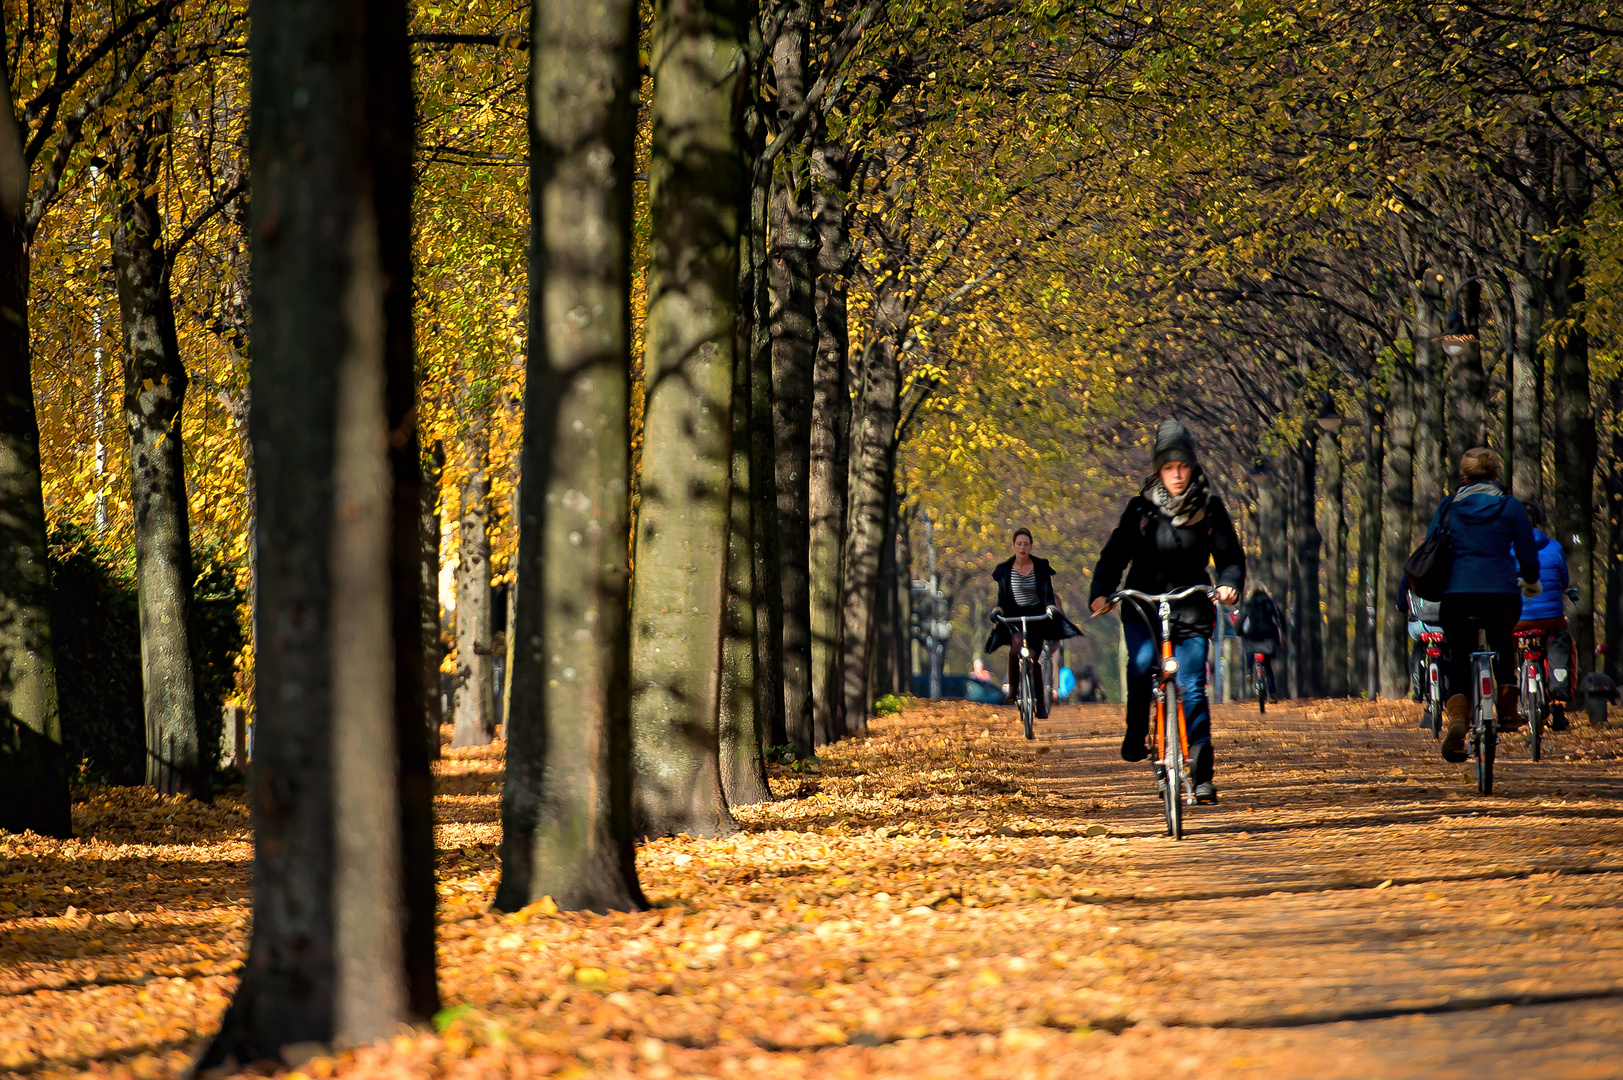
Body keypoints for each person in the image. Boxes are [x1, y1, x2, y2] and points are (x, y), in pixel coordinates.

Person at [1089, 420, 1244, 803]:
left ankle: (1202, 768)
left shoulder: (1210, 509)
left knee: (1191, 683)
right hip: (1144, 605)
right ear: (1159, 470)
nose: (1176, 474)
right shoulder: (1140, 510)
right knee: (1141, 664)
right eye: (1168, 467)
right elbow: (1113, 556)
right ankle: (1135, 732)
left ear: (1193, 468)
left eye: (1183, 467)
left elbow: (1230, 558)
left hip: (1191, 608)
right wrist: (1101, 593)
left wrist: (1228, 583)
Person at [1422, 447, 1540, 763]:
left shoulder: (1449, 507)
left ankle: (1459, 719)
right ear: (1495, 474)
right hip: (1500, 592)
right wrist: (1530, 578)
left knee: (1459, 654)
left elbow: (1430, 543)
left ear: (1464, 475)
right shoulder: (1511, 507)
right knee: (1503, 641)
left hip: (1457, 593)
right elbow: (1528, 556)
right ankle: (1509, 711)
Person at [985, 528, 1081, 718]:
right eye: (1019, 544)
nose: (1022, 547)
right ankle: (1013, 690)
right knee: (1016, 647)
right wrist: (998, 610)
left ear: (1031, 546)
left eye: (1026, 544)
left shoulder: (1041, 567)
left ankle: (1040, 703)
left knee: (1033, 658)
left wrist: (1050, 608)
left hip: (1037, 618)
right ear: (1013, 546)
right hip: (1014, 618)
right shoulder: (1005, 570)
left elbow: (1047, 595)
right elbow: (1002, 599)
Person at [1515, 504, 1574, 731]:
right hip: (1551, 617)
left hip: (1518, 619)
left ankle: (1512, 696)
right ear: (1540, 523)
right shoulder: (1555, 547)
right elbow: (1564, 581)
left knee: (1506, 644)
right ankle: (1559, 705)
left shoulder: (1510, 548)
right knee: (1562, 642)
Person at [1237, 585, 1284, 700]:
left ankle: (1249, 671)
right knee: (1267, 666)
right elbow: (1281, 619)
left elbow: (1240, 621)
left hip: (1253, 635)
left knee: (1248, 646)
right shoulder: (1271, 603)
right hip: (1268, 637)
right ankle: (1272, 692)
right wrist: (1282, 634)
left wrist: (1239, 633)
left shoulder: (1249, 604)